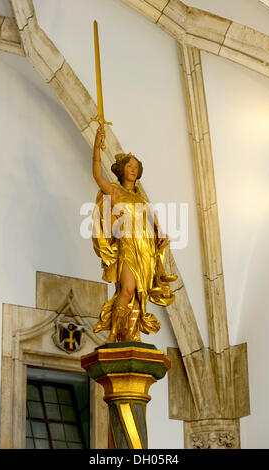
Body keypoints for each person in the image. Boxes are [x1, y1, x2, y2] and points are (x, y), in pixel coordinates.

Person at [92, 124, 177, 343]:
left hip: (146, 249)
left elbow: (153, 226)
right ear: (121, 170)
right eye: (129, 166)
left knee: (140, 294)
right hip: (127, 246)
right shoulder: (115, 191)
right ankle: (114, 334)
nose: (133, 169)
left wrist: (161, 235)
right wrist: (96, 146)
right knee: (128, 289)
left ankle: (131, 335)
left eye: (136, 167)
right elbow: (97, 174)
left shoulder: (142, 200)